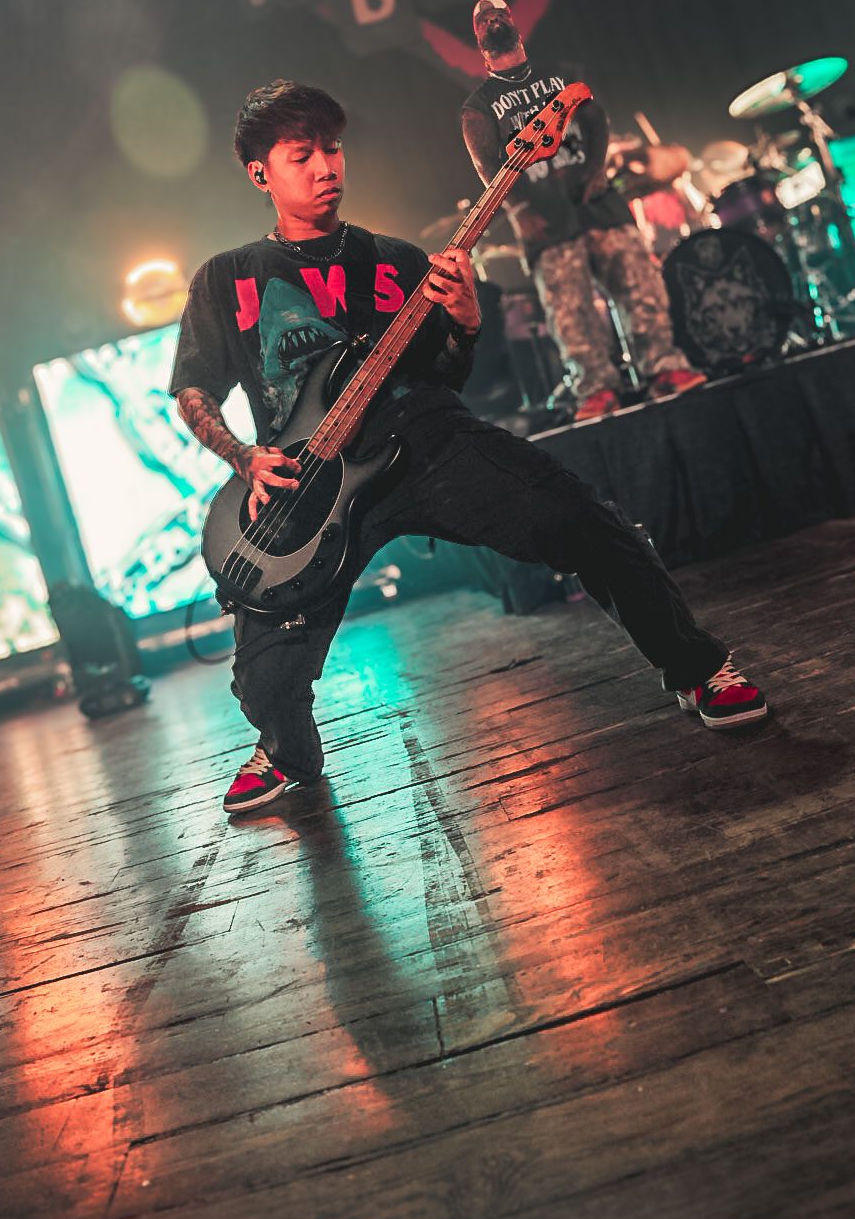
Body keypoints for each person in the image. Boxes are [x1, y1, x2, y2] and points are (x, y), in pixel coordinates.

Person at [169, 80, 768, 815]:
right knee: (264, 676)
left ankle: (697, 669)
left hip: (426, 442)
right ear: (260, 172)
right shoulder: (225, 278)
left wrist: (466, 321)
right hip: (308, 481)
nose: (326, 167)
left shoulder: (393, 260)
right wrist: (243, 457)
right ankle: (285, 752)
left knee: (584, 520)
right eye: (303, 155)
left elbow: (448, 374)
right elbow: (193, 388)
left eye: (333, 149)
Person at [461, 0, 706, 421]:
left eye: (500, 15)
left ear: (514, 22)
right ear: (478, 37)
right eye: (484, 20)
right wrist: (519, 211)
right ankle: (597, 388)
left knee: (640, 288)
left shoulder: (562, 74)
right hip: (546, 220)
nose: (494, 22)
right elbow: (487, 166)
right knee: (570, 313)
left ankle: (664, 369)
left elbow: (597, 122)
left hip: (597, 204)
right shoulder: (479, 106)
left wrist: (596, 170)